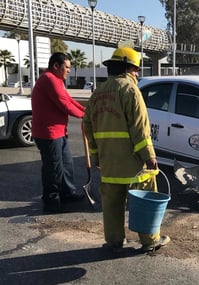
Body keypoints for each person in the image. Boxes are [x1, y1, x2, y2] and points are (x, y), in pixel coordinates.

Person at [83, 47, 170, 253]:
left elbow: (88, 127)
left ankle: (114, 241)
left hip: (109, 165)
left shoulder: (97, 93)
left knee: (112, 205)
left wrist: (96, 156)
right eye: (135, 69)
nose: (137, 74)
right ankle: (150, 240)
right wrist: (148, 156)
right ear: (126, 69)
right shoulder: (130, 90)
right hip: (133, 165)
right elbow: (140, 129)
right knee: (145, 199)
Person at [31, 52, 86, 213]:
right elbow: (64, 105)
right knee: (53, 168)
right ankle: (51, 200)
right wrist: (85, 116)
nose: (69, 70)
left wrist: (87, 111)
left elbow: (69, 99)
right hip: (48, 133)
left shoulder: (58, 80)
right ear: (56, 66)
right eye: (66, 67)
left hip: (59, 132)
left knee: (67, 164)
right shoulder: (49, 79)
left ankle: (67, 193)